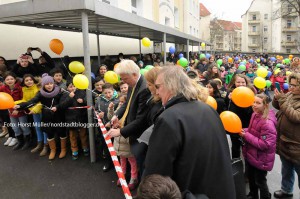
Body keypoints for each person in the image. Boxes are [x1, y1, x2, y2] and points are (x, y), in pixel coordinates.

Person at [143, 66, 236, 199]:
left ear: (171, 86)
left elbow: (156, 176)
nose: (156, 92)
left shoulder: (169, 118)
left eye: (158, 86)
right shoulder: (208, 110)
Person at [107, 59, 151, 180]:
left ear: (135, 74)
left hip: (140, 135)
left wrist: (120, 132)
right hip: (133, 131)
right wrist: (117, 115)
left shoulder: (144, 89)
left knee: (142, 165)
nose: (123, 82)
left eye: (125, 79)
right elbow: (128, 104)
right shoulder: (134, 83)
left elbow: (141, 120)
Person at [15, 73, 69, 160]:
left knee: (61, 132)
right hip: (47, 116)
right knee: (49, 133)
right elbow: (32, 101)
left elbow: (64, 102)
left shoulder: (59, 91)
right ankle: (53, 150)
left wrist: (57, 107)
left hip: (59, 116)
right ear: (43, 85)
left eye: (51, 83)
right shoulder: (40, 93)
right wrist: (20, 106)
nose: (49, 86)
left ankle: (63, 149)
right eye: (47, 84)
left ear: (53, 83)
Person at [240, 93, 277, 199]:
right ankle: (253, 194)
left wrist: (246, 135)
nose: (254, 105)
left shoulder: (267, 123)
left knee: (260, 181)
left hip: (261, 158)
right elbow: (253, 131)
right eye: (253, 102)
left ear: (265, 105)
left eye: (258, 103)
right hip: (252, 154)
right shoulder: (255, 114)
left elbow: (265, 144)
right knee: (251, 178)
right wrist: (245, 130)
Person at [272, 72, 300, 198]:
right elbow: (278, 106)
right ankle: (286, 190)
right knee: (286, 169)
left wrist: (283, 100)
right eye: (291, 84)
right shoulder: (289, 94)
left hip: (297, 145)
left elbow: (296, 116)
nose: (291, 87)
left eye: (295, 85)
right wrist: (277, 97)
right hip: (285, 140)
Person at [15, 74, 48, 155]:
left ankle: (45, 145)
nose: (29, 82)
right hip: (33, 111)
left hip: (41, 111)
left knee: (44, 128)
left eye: (30, 80)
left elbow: (40, 101)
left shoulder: (38, 88)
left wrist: (34, 109)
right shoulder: (24, 89)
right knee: (37, 127)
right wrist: (15, 103)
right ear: (24, 82)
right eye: (26, 80)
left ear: (33, 80)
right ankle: (39, 143)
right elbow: (25, 100)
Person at [225, 74, 254, 159]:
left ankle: (248, 162)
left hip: (246, 124)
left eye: (243, 82)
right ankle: (236, 162)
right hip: (233, 124)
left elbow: (250, 111)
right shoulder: (230, 92)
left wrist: (237, 101)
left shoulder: (249, 93)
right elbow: (226, 108)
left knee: (247, 146)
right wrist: (228, 99)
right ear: (234, 82)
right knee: (235, 146)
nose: (241, 84)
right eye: (238, 82)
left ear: (246, 83)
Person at [60, 81, 89, 160]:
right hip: (70, 119)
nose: (72, 88)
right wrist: (70, 97)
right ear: (67, 88)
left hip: (81, 118)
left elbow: (88, 104)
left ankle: (85, 147)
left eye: (74, 86)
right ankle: (74, 150)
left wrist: (83, 102)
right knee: (72, 136)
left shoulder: (82, 93)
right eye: (70, 87)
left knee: (83, 134)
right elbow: (62, 106)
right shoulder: (65, 95)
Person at [0, 72, 30, 148]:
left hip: (21, 111)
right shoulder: (3, 88)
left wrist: (19, 109)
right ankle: (20, 141)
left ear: (15, 79)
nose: (10, 81)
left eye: (11, 79)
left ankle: (28, 142)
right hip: (11, 112)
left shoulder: (20, 88)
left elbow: (24, 100)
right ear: (5, 81)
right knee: (15, 127)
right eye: (7, 79)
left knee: (24, 126)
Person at [95, 83, 119, 171]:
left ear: (113, 91)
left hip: (115, 127)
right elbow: (96, 109)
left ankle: (118, 163)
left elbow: (119, 113)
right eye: (105, 93)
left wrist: (110, 121)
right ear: (102, 92)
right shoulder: (99, 99)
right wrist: (98, 113)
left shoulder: (118, 100)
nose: (108, 95)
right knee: (106, 145)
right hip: (104, 127)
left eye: (110, 92)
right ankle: (109, 162)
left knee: (116, 145)